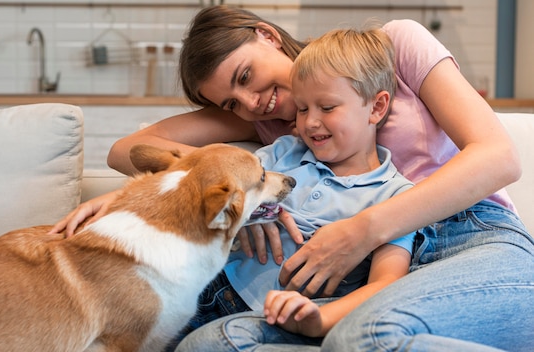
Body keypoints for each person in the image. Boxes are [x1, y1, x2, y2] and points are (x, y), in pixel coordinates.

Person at [51, 5, 534, 351]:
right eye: (231, 104)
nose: (251, 102)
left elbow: (498, 158)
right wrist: (230, 197)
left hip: (470, 233)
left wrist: (363, 229)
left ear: (267, 35)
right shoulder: (281, 126)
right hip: (367, 277)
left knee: (360, 336)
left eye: (245, 77)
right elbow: (126, 149)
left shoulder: (393, 46)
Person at [176, 25, 416, 350]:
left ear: (376, 107)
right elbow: (216, 186)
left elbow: (387, 283)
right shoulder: (283, 152)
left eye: (327, 108)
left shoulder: (395, 196)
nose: (310, 122)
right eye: (302, 109)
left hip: (274, 320)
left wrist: (320, 319)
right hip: (204, 284)